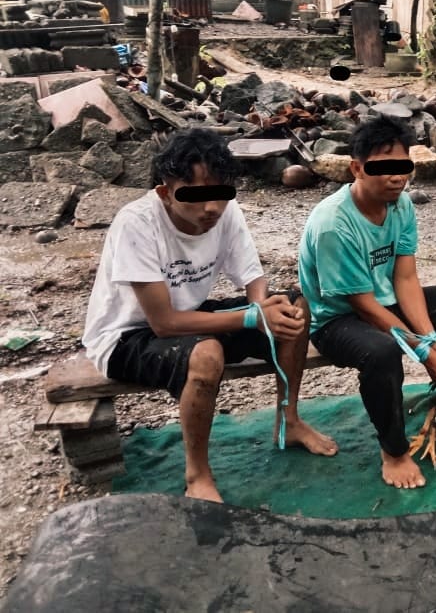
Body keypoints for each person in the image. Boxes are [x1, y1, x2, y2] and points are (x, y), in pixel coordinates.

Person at [81, 129, 338, 504]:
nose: (211, 208)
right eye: (195, 195)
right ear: (165, 192)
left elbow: (252, 277)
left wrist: (262, 311)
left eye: (220, 193)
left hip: (189, 317)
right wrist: (250, 319)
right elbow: (163, 324)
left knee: (293, 307)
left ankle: (290, 421)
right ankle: (197, 474)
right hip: (127, 336)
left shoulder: (225, 212)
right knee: (207, 354)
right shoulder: (136, 223)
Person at [299, 116, 436, 490]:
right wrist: (424, 351)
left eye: (402, 167)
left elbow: (405, 279)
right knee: (382, 352)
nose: (396, 178)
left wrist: (431, 340)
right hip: (337, 318)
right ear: (356, 168)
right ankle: (393, 451)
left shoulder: (401, 205)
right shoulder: (333, 223)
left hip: (384, 301)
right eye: (383, 168)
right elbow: (362, 305)